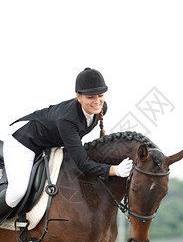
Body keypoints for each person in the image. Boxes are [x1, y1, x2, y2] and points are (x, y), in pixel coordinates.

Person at [0, 67, 133, 220]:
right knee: (17, 192)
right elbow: (83, 163)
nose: (97, 101)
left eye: (100, 95)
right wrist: (115, 170)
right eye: (90, 97)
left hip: (48, 143)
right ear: (78, 97)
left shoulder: (102, 108)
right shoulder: (67, 120)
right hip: (22, 142)